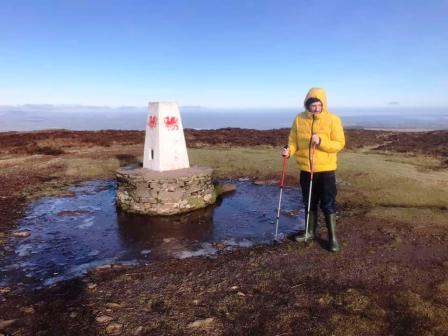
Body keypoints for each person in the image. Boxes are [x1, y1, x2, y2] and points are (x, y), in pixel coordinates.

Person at [282, 88, 345, 252]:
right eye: (313, 105)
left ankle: (332, 239)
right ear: (307, 105)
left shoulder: (333, 119)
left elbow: (339, 143)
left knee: (328, 204)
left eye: (318, 105)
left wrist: (321, 141)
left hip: (326, 170)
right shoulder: (298, 119)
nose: (316, 108)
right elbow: (293, 141)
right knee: (309, 202)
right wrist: (289, 150)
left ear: (323, 104)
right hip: (306, 170)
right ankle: (309, 232)